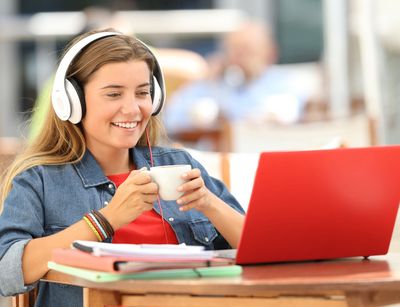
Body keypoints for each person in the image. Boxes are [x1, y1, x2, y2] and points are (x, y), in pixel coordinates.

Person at [0, 29, 245, 306]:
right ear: (71, 101)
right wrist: (106, 220)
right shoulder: (40, 180)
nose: (132, 109)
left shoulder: (179, 165)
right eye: (114, 94)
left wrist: (209, 203)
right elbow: (6, 272)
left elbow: (262, 250)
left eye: (142, 93)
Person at [163, 21, 310, 134]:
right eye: (234, 49)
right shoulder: (213, 84)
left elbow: (287, 113)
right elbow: (171, 119)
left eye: (247, 50)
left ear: (270, 53)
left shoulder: (284, 83)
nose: (239, 57)